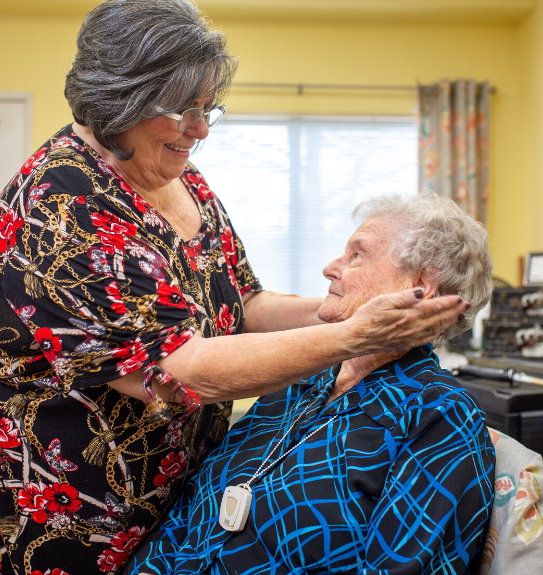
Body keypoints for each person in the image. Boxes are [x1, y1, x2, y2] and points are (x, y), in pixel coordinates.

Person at [0, 0, 467, 575]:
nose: (200, 129)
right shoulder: (62, 208)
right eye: (183, 110)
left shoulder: (175, 174)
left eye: (208, 108)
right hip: (60, 524)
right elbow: (178, 372)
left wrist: (348, 307)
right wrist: (354, 335)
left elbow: (242, 301)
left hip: (165, 521)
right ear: (120, 101)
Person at [126, 192, 495, 575]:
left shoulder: (440, 415)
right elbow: (188, 513)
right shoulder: (299, 380)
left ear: (418, 285)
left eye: (357, 255)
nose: (329, 268)